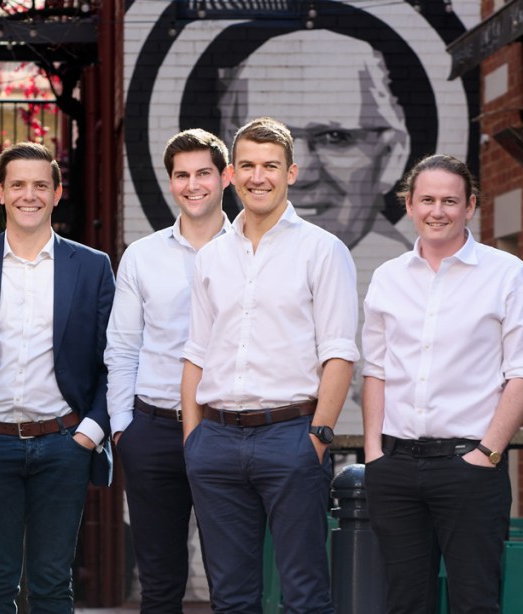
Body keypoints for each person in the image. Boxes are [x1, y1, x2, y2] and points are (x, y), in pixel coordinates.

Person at [180, 117, 358, 613]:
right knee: (231, 597)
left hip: (292, 437)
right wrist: (193, 441)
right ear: (232, 174)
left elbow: (339, 353)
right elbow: (196, 354)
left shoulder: (323, 250)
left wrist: (319, 436)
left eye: (271, 166)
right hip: (214, 442)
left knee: (303, 593)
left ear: (291, 173)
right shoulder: (212, 257)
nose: (260, 177)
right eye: (250, 166)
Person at [361, 154, 523, 613]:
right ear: (409, 204)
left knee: (475, 601)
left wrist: (488, 454)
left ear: (470, 206)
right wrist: (374, 455)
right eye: (426, 199)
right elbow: (376, 371)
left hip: (470, 465)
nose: (436, 210)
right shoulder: (387, 278)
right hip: (396, 467)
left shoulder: (507, 273)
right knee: (404, 601)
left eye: (449, 200)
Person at [0, 142, 115, 613]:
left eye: (41, 185)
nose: (29, 195)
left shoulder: (92, 267)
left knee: (52, 583)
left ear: (57, 193)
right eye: (17, 184)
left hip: (63, 444)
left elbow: (114, 360)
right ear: (0, 192)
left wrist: (90, 432)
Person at [105, 129, 231, 612]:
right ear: (170, 182)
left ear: (226, 178)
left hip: (226, 430)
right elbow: (123, 346)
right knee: (159, 585)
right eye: (182, 175)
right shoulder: (143, 256)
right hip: (153, 430)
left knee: (231, 581)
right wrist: (122, 429)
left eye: (203, 173)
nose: (192, 184)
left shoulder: (249, 250)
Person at [217, 30, 411, 250]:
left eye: (334, 138)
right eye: (268, 140)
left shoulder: (402, 280)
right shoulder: (214, 260)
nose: (300, 175)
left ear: (392, 155)